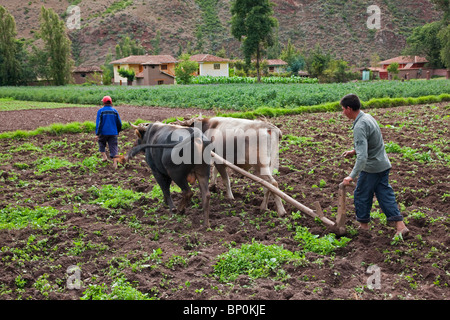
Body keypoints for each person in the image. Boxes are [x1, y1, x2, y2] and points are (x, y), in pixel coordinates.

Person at [340, 94, 409, 237]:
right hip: (382, 164)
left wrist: (351, 176)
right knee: (385, 196)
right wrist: (354, 151)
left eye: (342, 109)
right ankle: (400, 226)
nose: (342, 113)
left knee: (361, 195)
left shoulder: (359, 126)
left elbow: (363, 157)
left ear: (348, 108)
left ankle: (363, 227)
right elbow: (372, 141)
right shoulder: (368, 117)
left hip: (371, 168)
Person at [95, 96, 122, 169]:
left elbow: (99, 123)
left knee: (101, 143)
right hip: (113, 132)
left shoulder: (101, 111)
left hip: (103, 132)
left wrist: (97, 133)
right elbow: (119, 123)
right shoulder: (114, 111)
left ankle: (104, 157)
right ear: (111, 102)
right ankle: (115, 163)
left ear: (103, 103)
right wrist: (117, 131)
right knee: (113, 147)